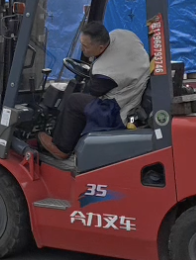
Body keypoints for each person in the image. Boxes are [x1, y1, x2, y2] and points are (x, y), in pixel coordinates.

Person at [38, 22, 150, 160]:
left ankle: (62, 147)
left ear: (101, 47)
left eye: (85, 47)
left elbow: (94, 91)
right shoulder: (123, 35)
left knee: (74, 101)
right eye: (81, 44)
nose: (82, 49)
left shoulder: (103, 72)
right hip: (135, 86)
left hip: (118, 111)